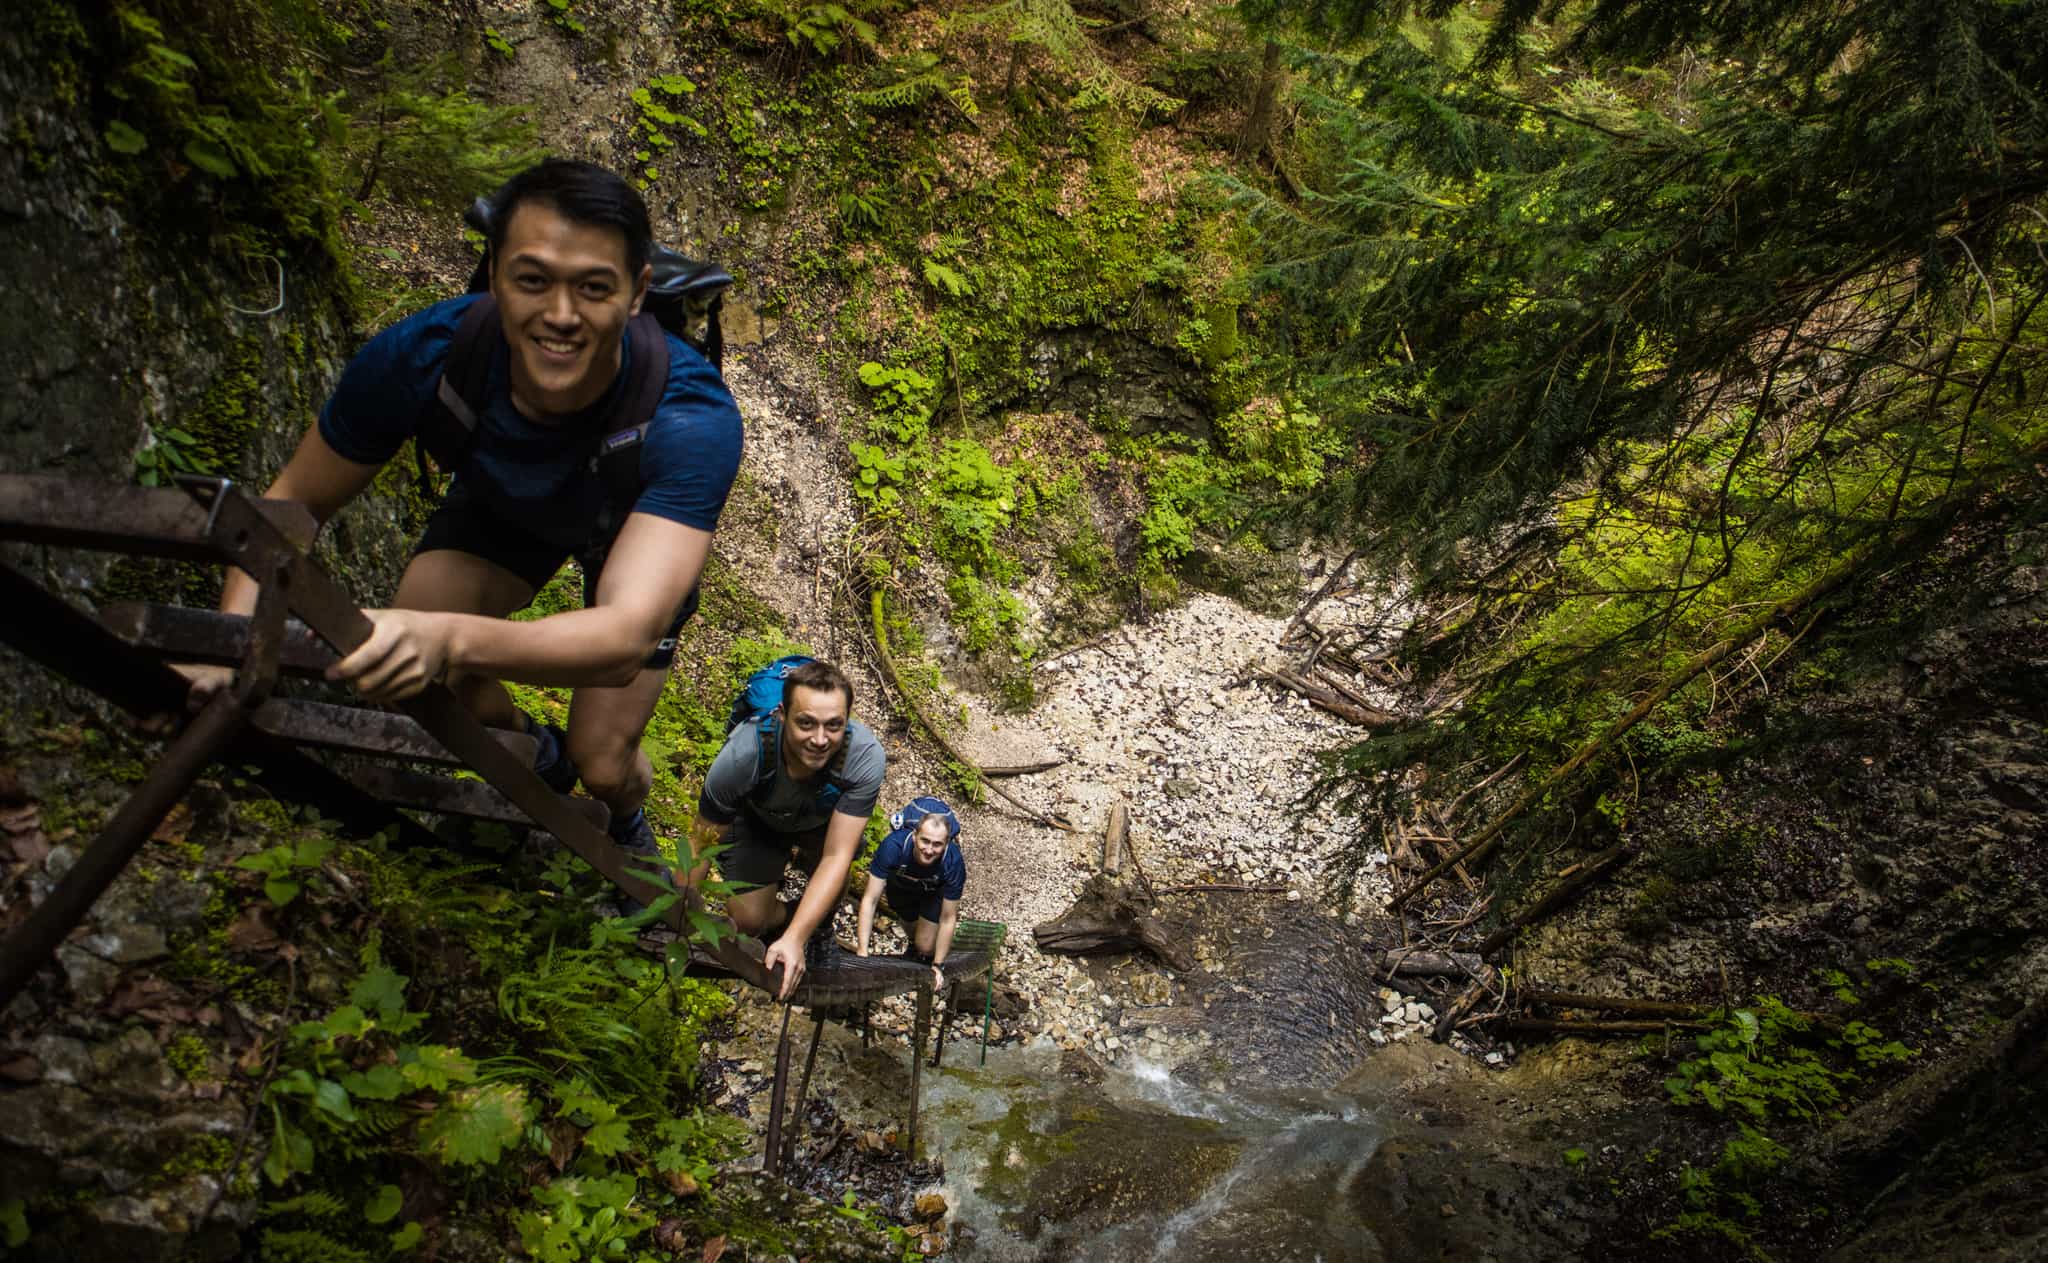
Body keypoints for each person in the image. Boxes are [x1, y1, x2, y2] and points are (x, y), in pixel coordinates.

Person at [182, 159, 743, 872]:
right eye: (533, 279)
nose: (561, 315)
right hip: (507, 507)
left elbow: (626, 633)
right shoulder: (427, 355)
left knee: (600, 762)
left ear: (636, 293)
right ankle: (534, 752)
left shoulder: (690, 417)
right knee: (419, 665)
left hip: (634, 526)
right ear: (495, 271)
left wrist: (445, 636)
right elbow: (292, 502)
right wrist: (231, 647)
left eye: (593, 288)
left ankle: (623, 810)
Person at [685, 659, 886, 999]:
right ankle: (787, 916)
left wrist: (796, 939)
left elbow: (837, 856)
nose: (820, 740)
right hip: (757, 821)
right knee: (749, 921)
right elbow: (701, 841)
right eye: (806, 724)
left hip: (823, 821)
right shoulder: (743, 754)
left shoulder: (864, 757)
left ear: (848, 721)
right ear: (781, 716)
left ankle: (818, 928)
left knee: (834, 866)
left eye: (834, 726)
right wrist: (679, 910)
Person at [855, 796, 966, 991]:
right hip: (901, 883)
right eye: (925, 841)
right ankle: (914, 943)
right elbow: (870, 900)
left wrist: (938, 965)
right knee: (909, 920)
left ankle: (922, 948)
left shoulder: (953, 862)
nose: (929, 850)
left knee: (926, 947)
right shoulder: (893, 847)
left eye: (937, 844)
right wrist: (862, 953)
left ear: (947, 843)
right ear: (915, 836)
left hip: (934, 891)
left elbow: (949, 918)